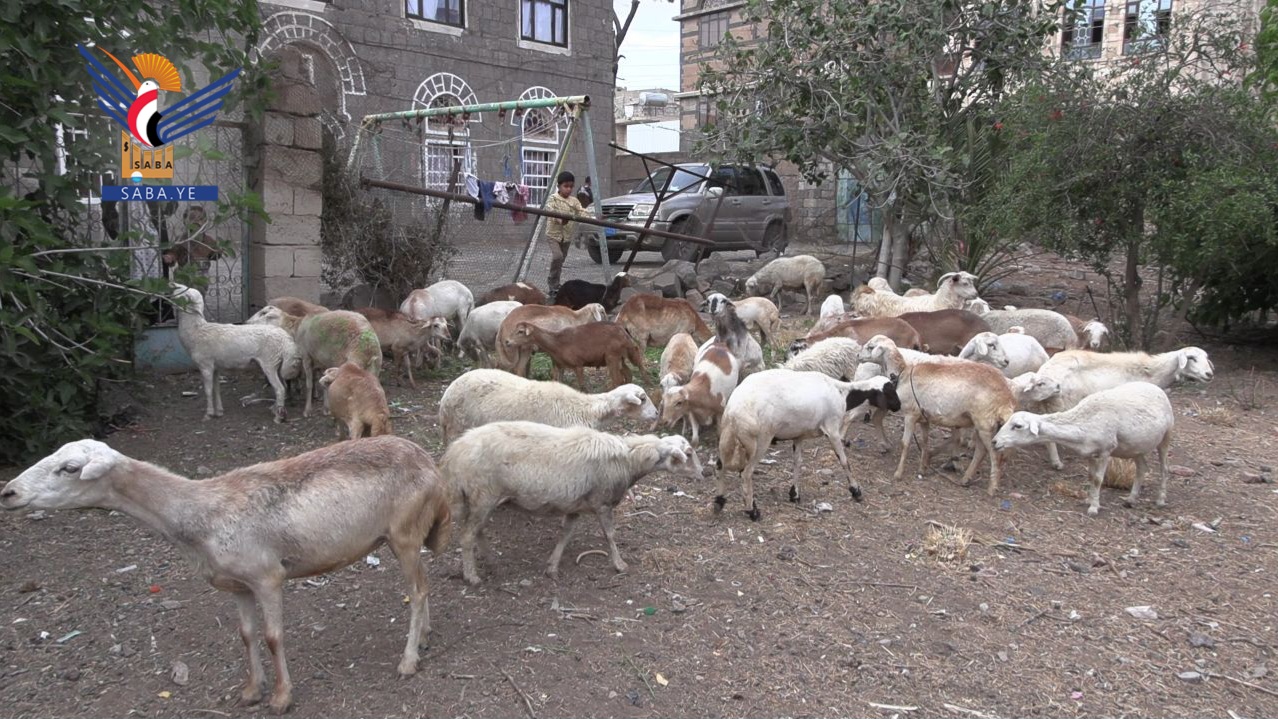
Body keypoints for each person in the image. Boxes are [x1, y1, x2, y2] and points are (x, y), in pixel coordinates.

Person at [544, 170, 589, 300]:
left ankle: (556, 285)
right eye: (566, 186)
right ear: (559, 186)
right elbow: (551, 211)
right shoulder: (553, 199)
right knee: (557, 256)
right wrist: (560, 220)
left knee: (560, 261)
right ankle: (553, 284)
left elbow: (581, 211)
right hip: (553, 235)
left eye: (571, 186)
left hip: (567, 237)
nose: (569, 189)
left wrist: (592, 217)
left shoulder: (574, 201)